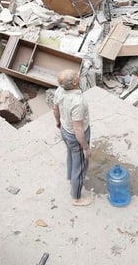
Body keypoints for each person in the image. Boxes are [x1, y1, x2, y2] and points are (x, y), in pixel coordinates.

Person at [53, 69, 93, 206]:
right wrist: (86, 148)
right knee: (80, 166)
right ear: (75, 82)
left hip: (65, 130)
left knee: (71, 154)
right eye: (76, 74)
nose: (78, 74)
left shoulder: (59, 90)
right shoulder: (78, 101)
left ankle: (70, 177)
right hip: (76, 136)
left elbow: (55, 109)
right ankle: (76, 197)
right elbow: (78, 128)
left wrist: (58, 122)